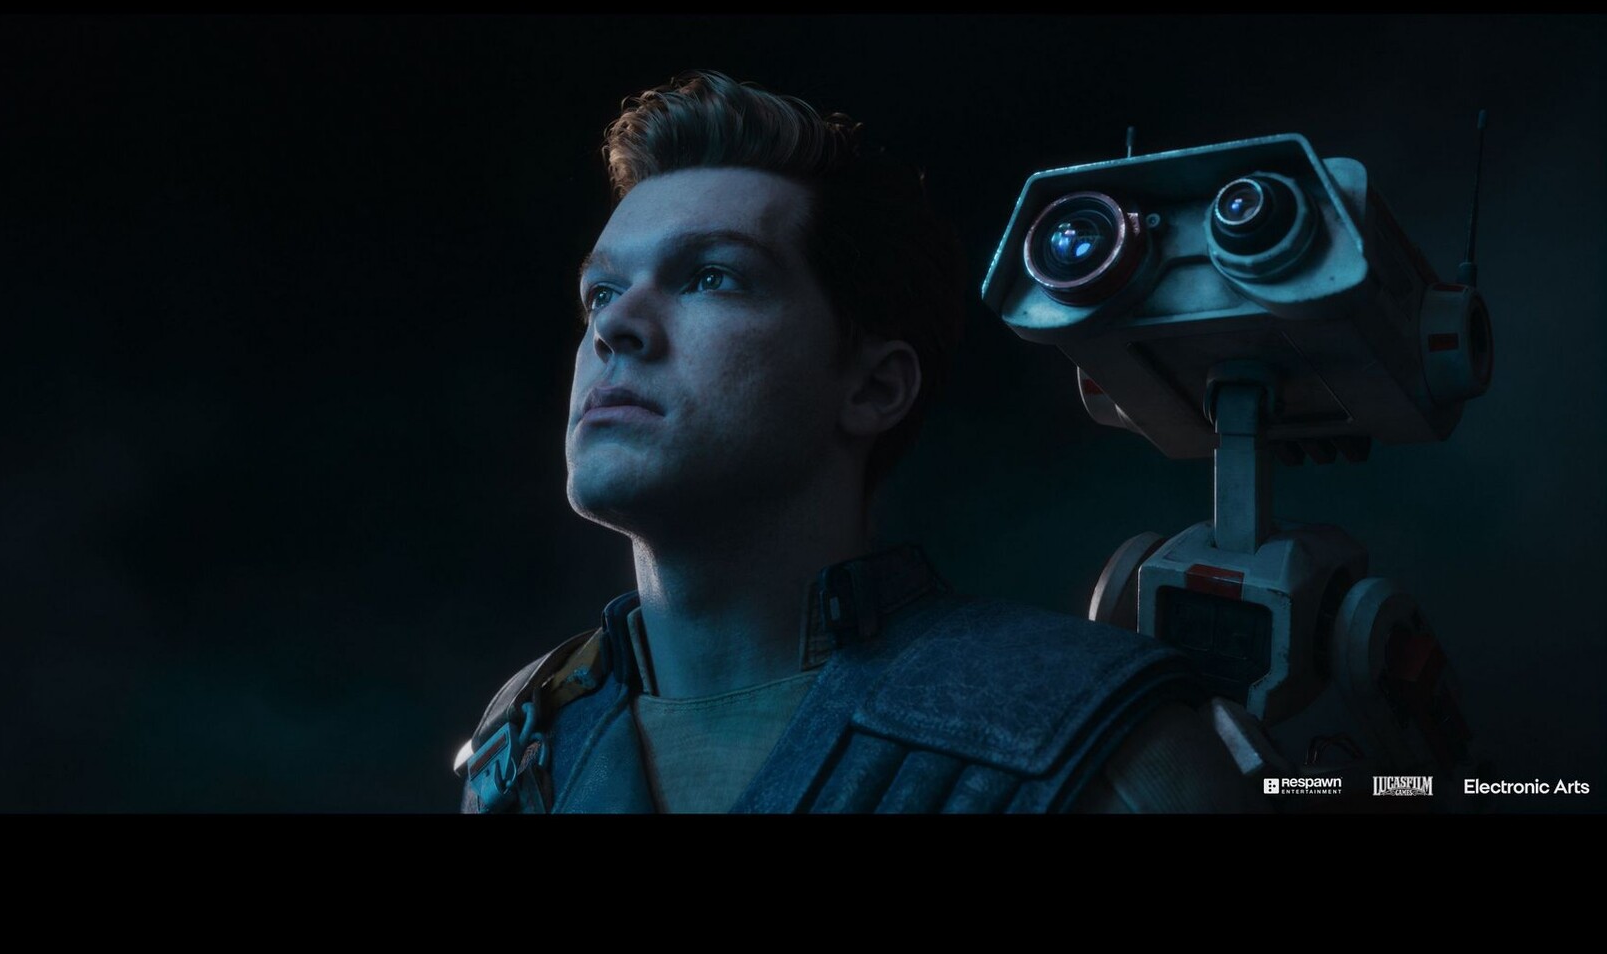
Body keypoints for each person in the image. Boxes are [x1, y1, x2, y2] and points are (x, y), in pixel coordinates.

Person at [453, 70, 1265, 814]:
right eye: (602, 291)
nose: (615, 328)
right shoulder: (529, 739)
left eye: (710, 277)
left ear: (874, 388)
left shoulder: (1101, 746)